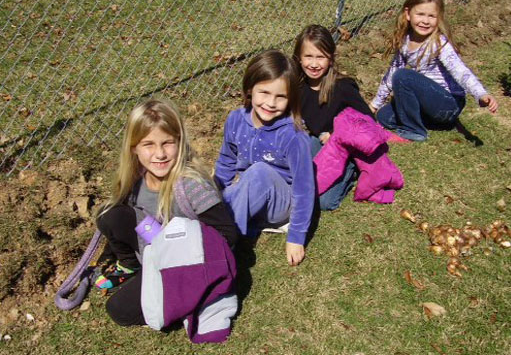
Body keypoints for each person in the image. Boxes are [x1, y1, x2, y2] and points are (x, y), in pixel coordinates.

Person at [95, 98, 238, 341]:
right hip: (156, 249)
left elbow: (228, 235)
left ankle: (190, 300)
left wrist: (186, 253)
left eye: (167, 143)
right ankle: (132, 266)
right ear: (133, 148)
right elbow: (131, 219)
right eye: (148, 144)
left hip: (188, 264)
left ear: (179, 142)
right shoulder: (136, 179)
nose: (159, 153)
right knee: (109, 214)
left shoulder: (190, 185)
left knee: (119, 310)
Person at [215, 49, 315, 267]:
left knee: (258, 172)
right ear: (250, 89)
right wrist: (215, 194)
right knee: (203, 193)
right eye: (264, 93)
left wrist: (296, 237)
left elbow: (304, 189)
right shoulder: (235, 119)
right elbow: (226, 161)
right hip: (247, 196)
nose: (271, 103)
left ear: (291, 99)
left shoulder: (293, 136)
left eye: (280, 97)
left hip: (280, 204)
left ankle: (225, 244)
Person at [371, 0, 498, 141]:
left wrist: (481, 94)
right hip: (430, 104)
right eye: (420, 14)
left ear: (439, 18)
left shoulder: (438, 43)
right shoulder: (405, 40)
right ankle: (437, 123)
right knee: (384, 116)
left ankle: (415, 131)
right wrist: (375, 105)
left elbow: (460, 70)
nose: (425, 21)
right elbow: (391, 75)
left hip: (449, 104)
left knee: (403, 76)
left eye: (431, 16)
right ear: (408, 13)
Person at [293, 24, 381, 211]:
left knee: (324, 202)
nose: (314, 64)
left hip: (345, 149)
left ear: (331, 58)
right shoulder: (297, 87)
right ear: (299, 58)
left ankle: (351, 171)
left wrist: (336, 134)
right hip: (319, 143)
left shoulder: (343, 87)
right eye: (308, 56)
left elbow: (368, 122)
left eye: (320, 57)